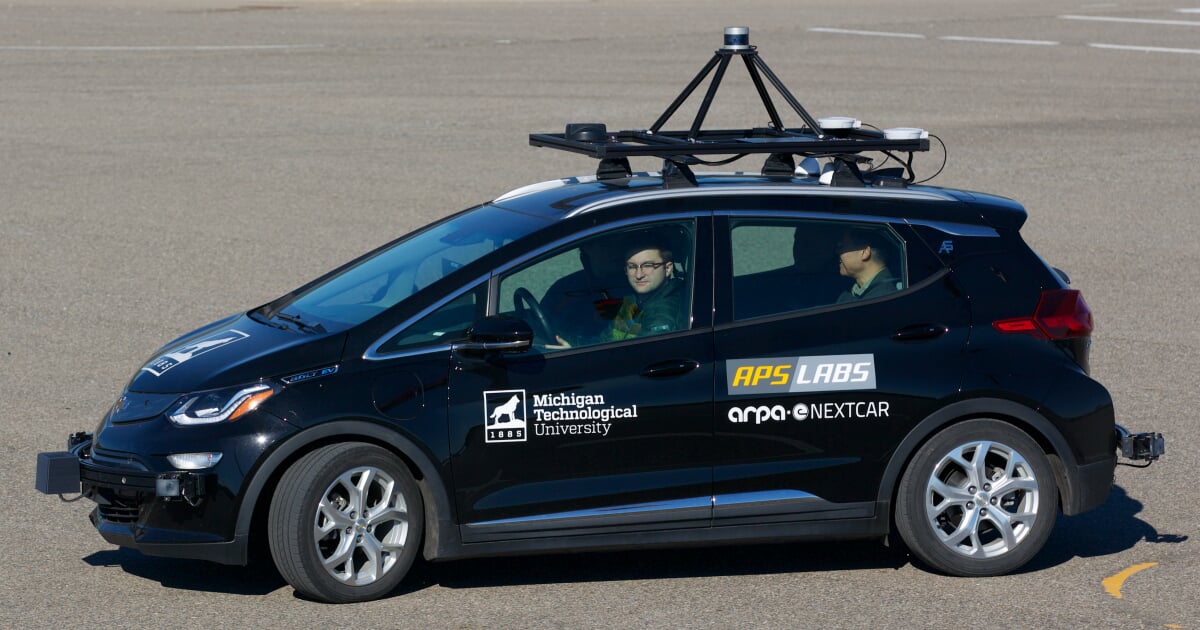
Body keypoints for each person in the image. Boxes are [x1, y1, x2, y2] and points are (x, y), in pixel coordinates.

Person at [548, 239, 685, 349]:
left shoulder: (664, 312)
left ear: (668, 268)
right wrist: (571, 346)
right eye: (632, 267)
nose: (639, 275)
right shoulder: (634, 301)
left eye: (648, 266)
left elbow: (639, 357)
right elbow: (606, 342)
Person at [835, 229, 902, 303]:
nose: (836, 251)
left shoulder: (886, 297)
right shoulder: (848, 295)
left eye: (841, 246)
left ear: (864, 252)